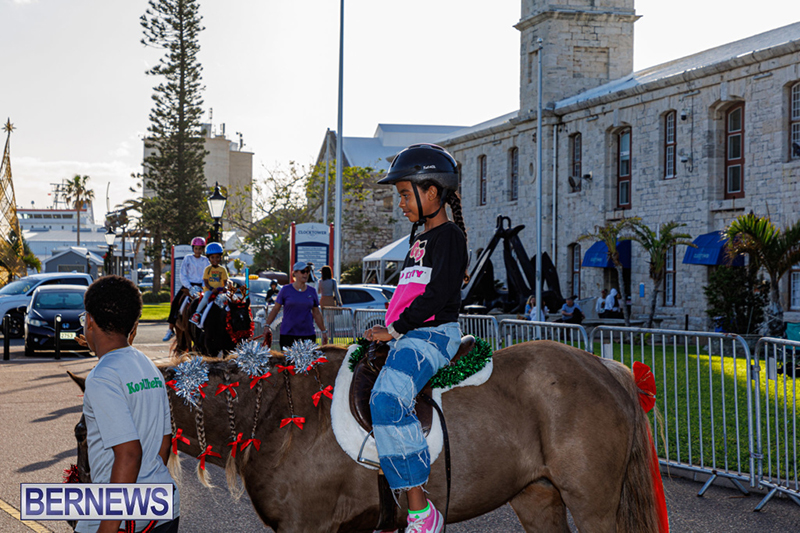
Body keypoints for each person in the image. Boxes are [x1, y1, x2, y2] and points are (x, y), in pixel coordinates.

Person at [363, 143, 468, 533]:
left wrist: (394, 329)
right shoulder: (419, 241)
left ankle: (422, 513)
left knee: (386, 400)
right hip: (410, 334)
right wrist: (388, 329)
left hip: (432, 337)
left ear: (432, 192)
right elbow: (408, 294)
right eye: (400, 195)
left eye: (406, 194)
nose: (402, 203)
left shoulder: (450, 236)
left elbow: (436, 295)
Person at [77, 275, 179, 533]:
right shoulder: (148, 366)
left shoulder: (102, 377)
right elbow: (164, 442)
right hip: (163, 508)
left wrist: (109, 526)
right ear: (133, 325)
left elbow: (130, 453)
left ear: (89, 321)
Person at [264, 261, 329, 349]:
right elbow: (275, 309)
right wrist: (267, 325)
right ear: (295, 273)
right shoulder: (285, 290)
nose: (305, 274)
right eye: (303, 271)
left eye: (307, 272)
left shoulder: (312, 291)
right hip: (288, 334)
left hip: (307, 334)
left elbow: (316, 312)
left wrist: (323, 331)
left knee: (309, 358)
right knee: (288, 358)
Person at [163, 236, 209, 341]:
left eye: (200, 248)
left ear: (203, 249)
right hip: (188, 286)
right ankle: (170, 329)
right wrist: (189, 287)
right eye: (196, 248)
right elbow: (183, 274)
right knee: (175, 302)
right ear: (193, 248)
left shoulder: (205, 260)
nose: (198, 251)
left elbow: (206, 275)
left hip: (202, 286)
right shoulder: (188, 258)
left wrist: (202, 286)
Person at [190, 242, 228, 327]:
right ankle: (197, 313)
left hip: (220, 291)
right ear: (209, 258)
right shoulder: (207, 269)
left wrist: (224, 287)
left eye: (217, 257)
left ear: (221, 257)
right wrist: (211, 289)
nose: (215, 259)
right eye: (212, 257)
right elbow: (205, 281)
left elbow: (225, 281)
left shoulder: (222, 269)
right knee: (206, 297)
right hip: (209, 290)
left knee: (229, 300)